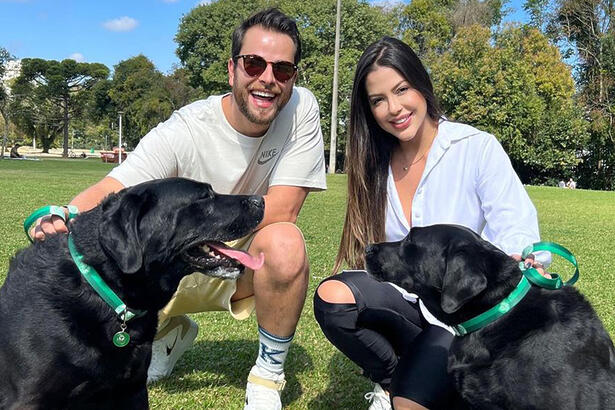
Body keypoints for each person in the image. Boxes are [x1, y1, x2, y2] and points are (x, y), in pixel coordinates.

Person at [32, 8, 326, 410]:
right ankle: (168, 330)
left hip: (240, 261)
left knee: (285, 241)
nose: (268, 79)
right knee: (129, 261)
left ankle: (267, 376)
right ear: (232, 70)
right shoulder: (185, 130)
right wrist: (64, 214)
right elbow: (115, 188)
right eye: (254, 63)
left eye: (283, 70)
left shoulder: (301, 110)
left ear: (293, 77)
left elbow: (285, 207)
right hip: (171, 269)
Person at [313, 37, 549, 410]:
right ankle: (391, 379)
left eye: (402, 89)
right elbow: (375, 257)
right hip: (407, 304)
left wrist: (523, 258)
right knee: (334, 298)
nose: (394, 108)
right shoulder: (373, 166)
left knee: (413, 405)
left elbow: (516, 227)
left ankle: (432, 380)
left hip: (462, 316)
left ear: (421, 84)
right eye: (378, 100)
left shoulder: (475, 147)